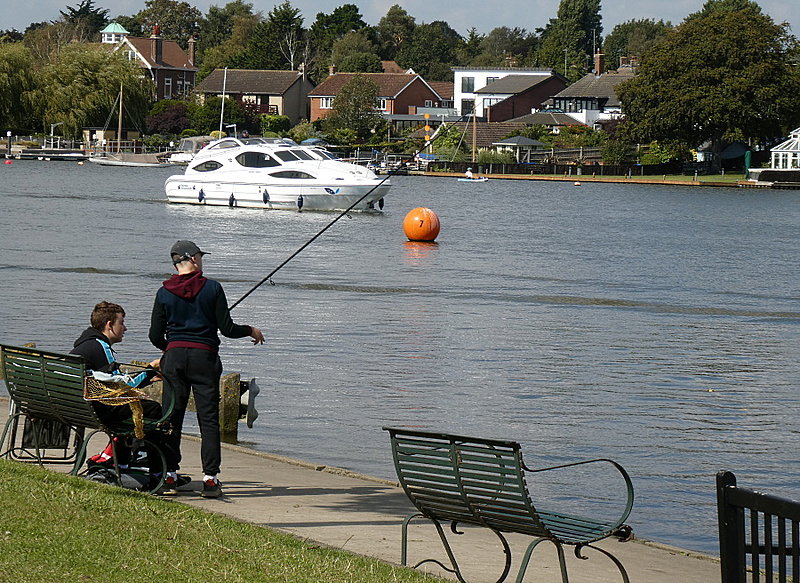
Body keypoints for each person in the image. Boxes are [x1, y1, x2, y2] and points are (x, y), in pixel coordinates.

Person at [149, 240, 265, 498]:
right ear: (192, 258)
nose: (202, 261)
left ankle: (169, 476)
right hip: (205, 358)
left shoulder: (163, 292)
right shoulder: (213, 288)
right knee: (208, 419)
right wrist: (251, 330)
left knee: (171, 417)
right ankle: (210, 479)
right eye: (200, 256)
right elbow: (227, 329)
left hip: (175, 359)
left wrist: (171, 348)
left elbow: (155, 335)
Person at [70, 301, 184, 490]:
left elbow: (112, 382)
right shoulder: (100, 347)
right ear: (109, 325)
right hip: (99, 409)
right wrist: (150, 369)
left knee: (139, 408)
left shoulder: (86, 344)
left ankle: (122, 462)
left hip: (83, 406)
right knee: (153, 410)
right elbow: (123, 386)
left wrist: (147, 376)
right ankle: (157, 473)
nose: (125, 328)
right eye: (121, 322)